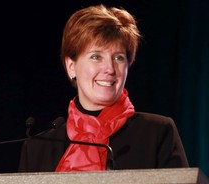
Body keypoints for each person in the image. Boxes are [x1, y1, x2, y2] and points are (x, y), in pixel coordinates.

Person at [18, 4, 189, 172]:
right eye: (96, 56)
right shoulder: (37, 148)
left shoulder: (157, 133)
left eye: (119, 58)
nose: (110, 69)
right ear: (71, 67)